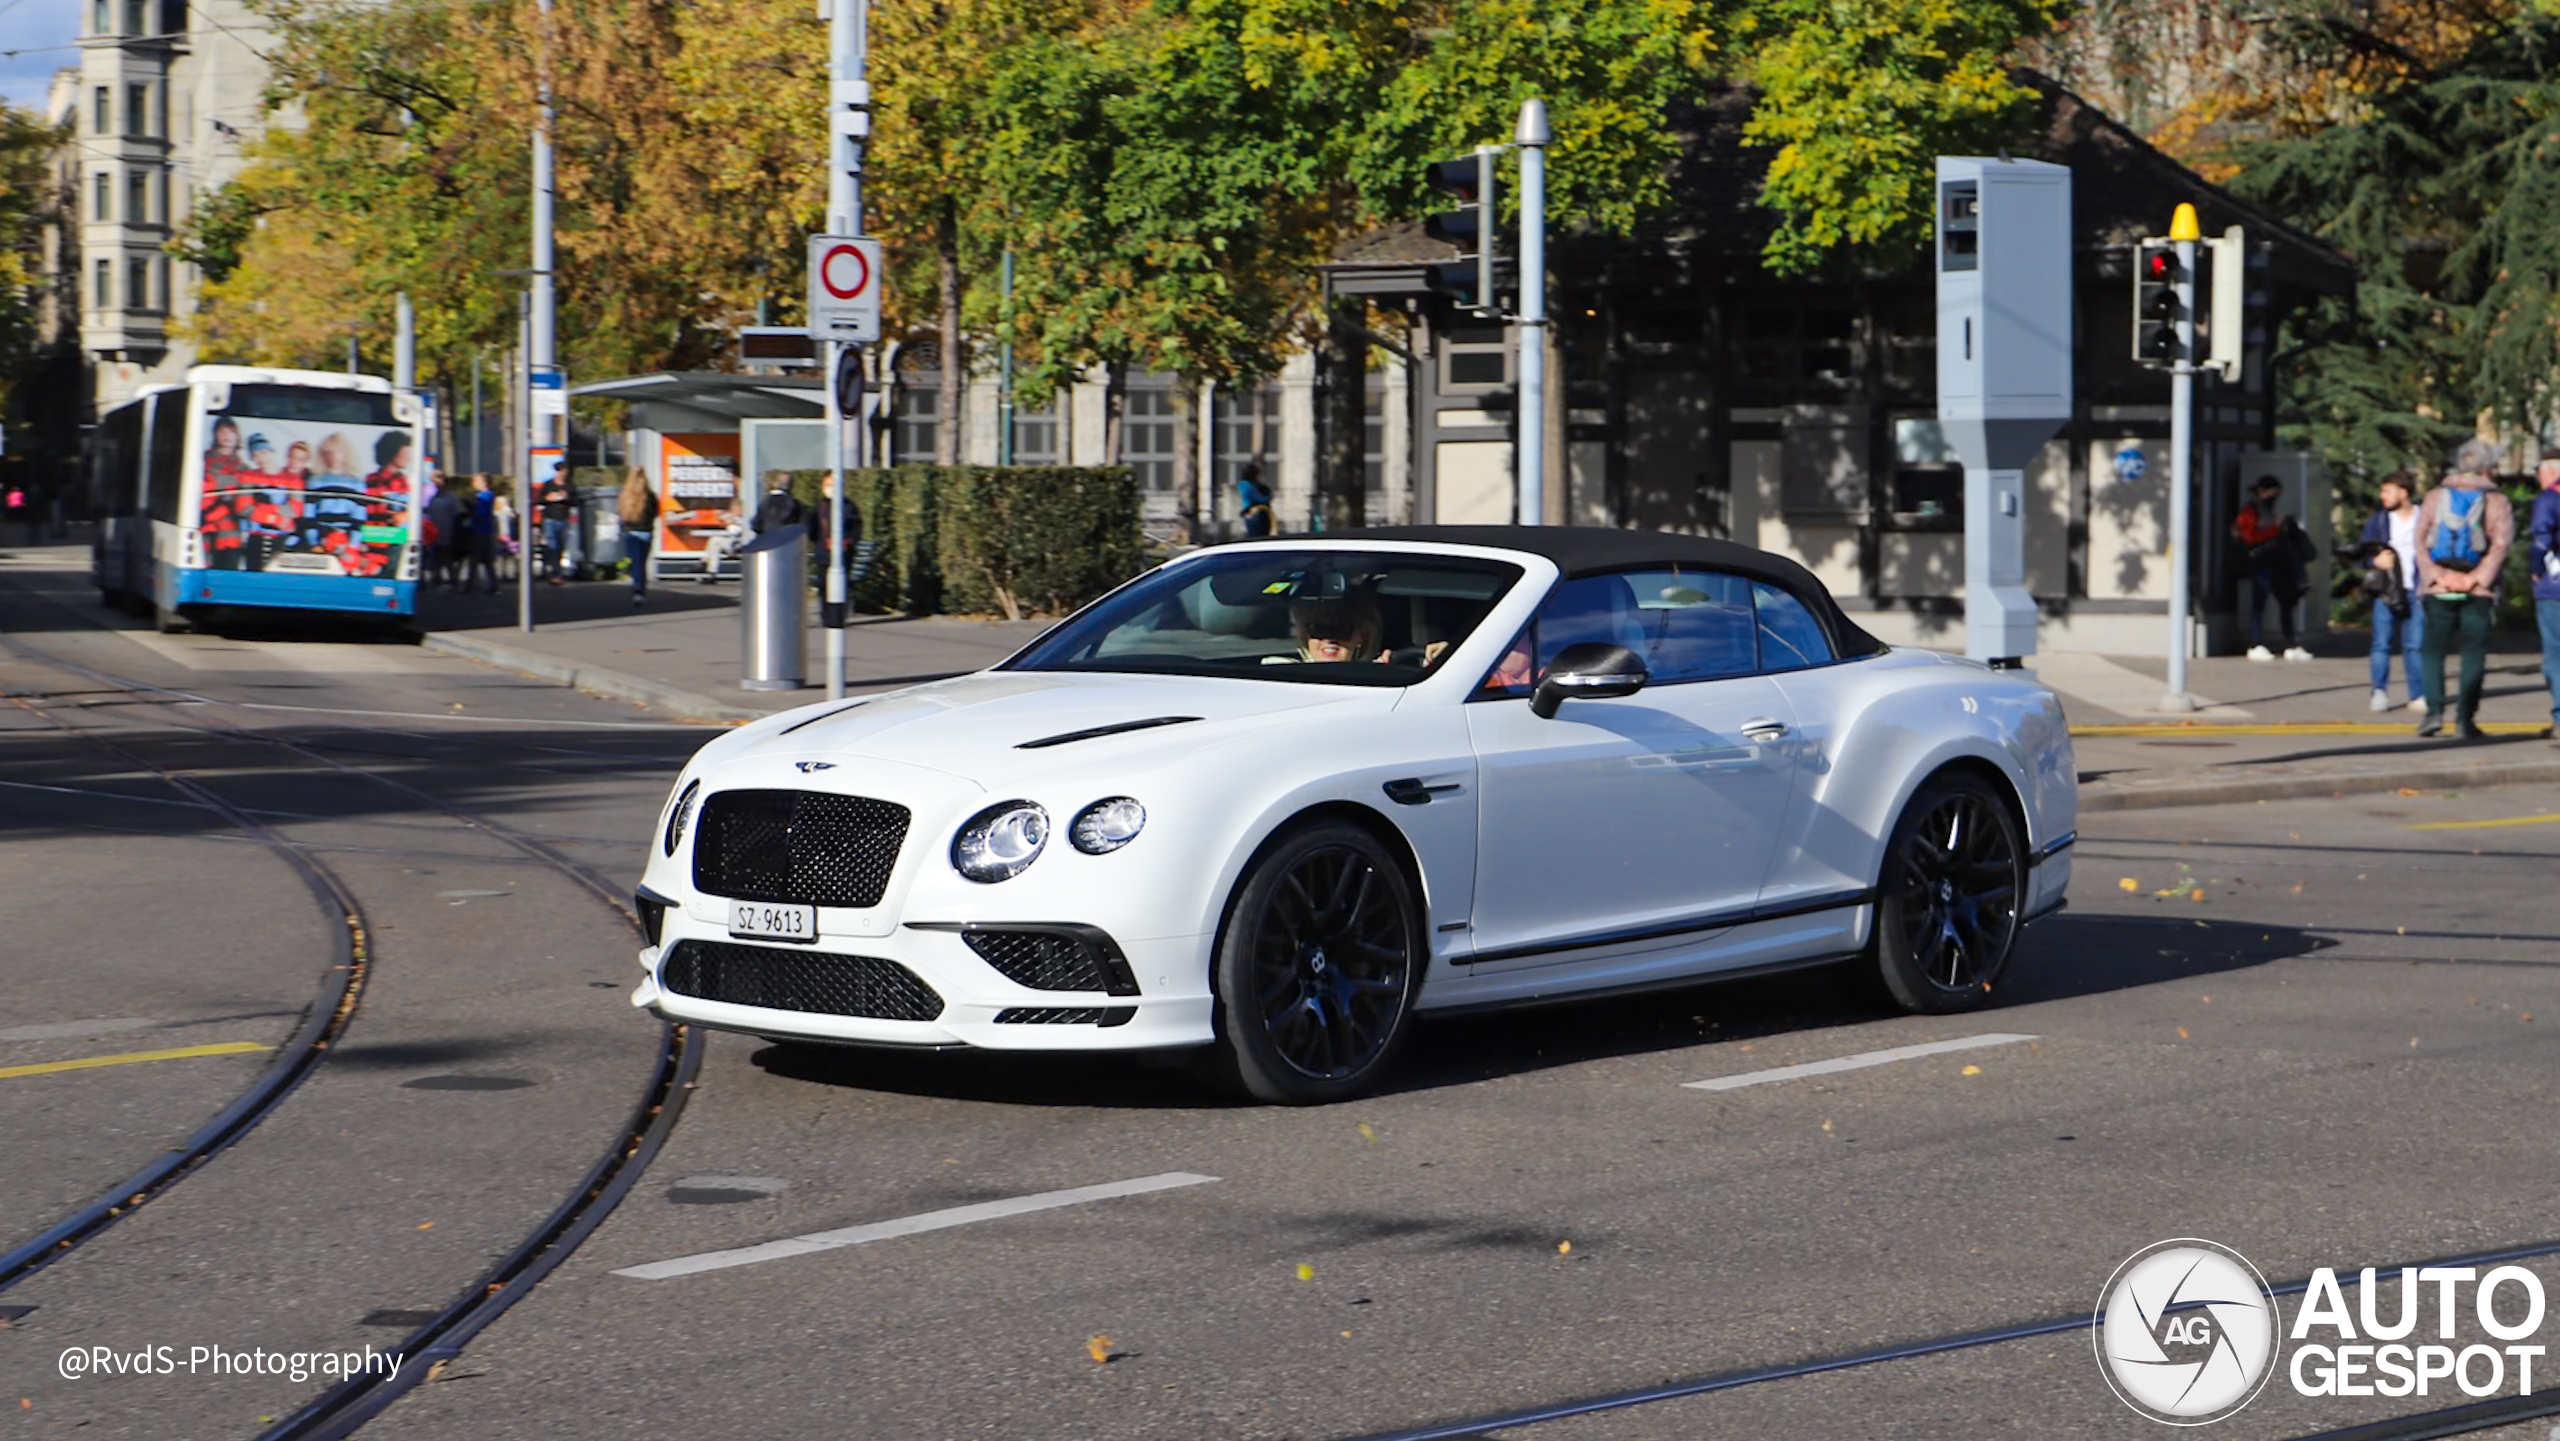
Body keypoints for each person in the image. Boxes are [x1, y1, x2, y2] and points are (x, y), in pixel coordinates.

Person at [2414, 437, 2518, 740]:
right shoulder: (2497, 500)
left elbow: (2419, 541)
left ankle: (2433, 712)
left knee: (2434, 650)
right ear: (2488, 466)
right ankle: (2464, 719)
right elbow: (2501, 544)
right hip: (2477, 590)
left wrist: (2438, 576)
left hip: (2438, 589)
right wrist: (2475, 579)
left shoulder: (2435, 496)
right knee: (2473, 652)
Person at [2358, 474, 2427, 712]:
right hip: (2386, 591)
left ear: (2404, 492)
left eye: (2388, 491)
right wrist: (2374, 561)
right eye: (2382, 491)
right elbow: (2362, 552)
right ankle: (2379, 692)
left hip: (2417, 589)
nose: (2382, 496)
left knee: (2415, 645)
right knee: (2381, 644)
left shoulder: (2424, 517)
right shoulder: (2379, 521)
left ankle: (2417, 694)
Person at [2234, 474, 2313, 661]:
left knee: (2286, 602)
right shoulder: (2250, 511)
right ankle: (2256, 643)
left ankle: (2290, 643)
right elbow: (2250, 537)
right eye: (2272, 492)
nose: (2274, 497)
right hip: (2261, 562)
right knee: (2259, 604)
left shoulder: (2264, 509)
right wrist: (2276, 529)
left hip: (2277, 562)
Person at [2531, 452, 2560, 741]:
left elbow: (2541, 539)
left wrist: (2535, 570)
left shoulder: (2549, 499)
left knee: (2555, 656)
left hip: (2555, 586)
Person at [616, 468, 658, 607]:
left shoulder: (625, 495)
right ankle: (641, 592)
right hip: (646, 533)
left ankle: (636, 588)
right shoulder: (650, 496)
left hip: (631, 533)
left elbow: (622, 515)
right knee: (642, 564)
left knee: (635, 562)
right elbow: (655, 513)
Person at [536, 462, 575, 584]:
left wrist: (567, 497)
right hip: (549, 519)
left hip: (563, 519)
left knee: (560, 547)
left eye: (563, 471)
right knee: (552, 545)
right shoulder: (548, 485)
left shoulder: (569, 486)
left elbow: (576, 501)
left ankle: (554, 571)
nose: (561, 473)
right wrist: (547, 498)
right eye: (559, 471)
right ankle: (555, 574)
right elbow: (538, 500)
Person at [460, 476, 499, 594]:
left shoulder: (484, 497)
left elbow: (480, 514)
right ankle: (493, 584)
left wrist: (470, 518)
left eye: (475, 481)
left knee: (475, 558)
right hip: (484, 530)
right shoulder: (486, 496)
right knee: (486, 560)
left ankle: (471, 585)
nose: (473, 484)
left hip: (480, 531)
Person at [1238, 462, 1274, 539]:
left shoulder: (1255, 484)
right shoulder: (1246, 484)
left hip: (1261, 513)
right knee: (1257, 538)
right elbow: (1259, 498)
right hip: (1255, 514)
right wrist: (1267, 496)